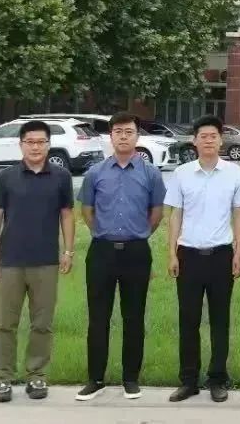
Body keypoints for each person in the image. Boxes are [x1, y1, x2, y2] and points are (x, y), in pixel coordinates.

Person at [75, 112, 166, 402]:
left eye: (128, 131)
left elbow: (156, 213)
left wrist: (138, 234)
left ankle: (131, 379)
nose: (123, 136)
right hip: (101, 251)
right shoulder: (95, 173)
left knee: (133, 317)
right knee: (98, 317)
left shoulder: (150, 174)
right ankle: (95, 379)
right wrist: (101, 233)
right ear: (111, 136)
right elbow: (87, 210)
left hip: (136, 252)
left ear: (137, 136)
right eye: (118, 132)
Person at [0, 119, 75, 403]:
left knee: (42, 324)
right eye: (30, 142)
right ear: (21, 144)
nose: (36, 147)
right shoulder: (5, 177)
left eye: (41, 142)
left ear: (49, 145)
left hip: (46, 262)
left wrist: (68, 251)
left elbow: (67, 215)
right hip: (10, 261)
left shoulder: (61, 177)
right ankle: (2, 379)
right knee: (5, 323)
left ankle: (37, 375)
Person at [165, 115, 240, 403]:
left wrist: (238, 252)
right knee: (188, 320)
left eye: (213, 135)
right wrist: (172, 253)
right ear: (195, 141)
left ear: (221, 140)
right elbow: (175, 214)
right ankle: (188, 380)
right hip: (188, 255)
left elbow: (239, 214)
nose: (209, 140)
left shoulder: (234, 173)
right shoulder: (182, 174)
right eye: (203, 136)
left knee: (219, 320)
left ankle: (217, 379)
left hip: (221, 255)